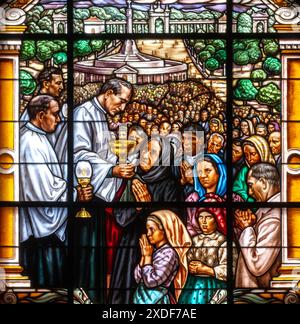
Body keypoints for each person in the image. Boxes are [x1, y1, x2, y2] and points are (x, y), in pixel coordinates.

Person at [72, 78, 135, 303]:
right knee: (89, 253)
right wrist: (113, 170)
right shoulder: (83, 113)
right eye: (122, 100)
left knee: (97, 255)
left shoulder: (101, 115)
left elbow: (101, 152)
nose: (123, 107)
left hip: (100, 193)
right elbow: (79, 154)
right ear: (108, 93)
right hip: (87, 195)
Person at [19, 95, 91, 287]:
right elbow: (43, 191)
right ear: (41, 115)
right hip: (40, 240)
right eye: (56, 114)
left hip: (44, 237)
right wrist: (76, 193)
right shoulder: (30, 143)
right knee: (49, 289)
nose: (59, 119)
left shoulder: (38, 137)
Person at [109, 137, 181, 304]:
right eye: (143, 150)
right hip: (129, 248)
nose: (145, 155)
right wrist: (138, 207)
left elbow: (173, 225)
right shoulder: (134, 180)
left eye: (152, 152)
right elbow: (120, 217)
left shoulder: (171, 185)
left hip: (158, 252)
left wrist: (148, 206)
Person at [235, 163, 281, 288]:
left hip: (257, 296)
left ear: (264, 183)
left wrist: (247, 228)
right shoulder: (268, 211)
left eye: (250, 185)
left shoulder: (273, 218)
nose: (249, 193)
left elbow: (257, 265)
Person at [179, 207, 237, 304]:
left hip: (214, 286)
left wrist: (207, 270)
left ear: (217, 219)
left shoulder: (224, 242)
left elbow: (232, 270)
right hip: (191, 285)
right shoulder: (193, 240)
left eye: (208, 217)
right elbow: (185, 261)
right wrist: (188, 266)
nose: (204, 221)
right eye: (201, 217)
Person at [133, 210, 192, 304]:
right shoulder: (153, 251)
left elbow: (151, 282)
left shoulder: (170, 253)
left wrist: (147, 257)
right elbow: (137, 278)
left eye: (152, 229)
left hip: (158, 301)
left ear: (165, 230)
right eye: (147, 230)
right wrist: (144, 256)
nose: (148, 234)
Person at [20, 67, 66, 147]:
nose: (62, 87)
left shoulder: (53, 105)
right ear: (46, 84)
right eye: (58, 83)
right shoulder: (35, 107)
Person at [233, 135, 275, 202]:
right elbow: (236, 188)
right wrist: (248, 201)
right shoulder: (244, 171)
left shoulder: (272, 171)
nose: (249, 159)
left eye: (253, 154)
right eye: (246, 155)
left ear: (262, 152)